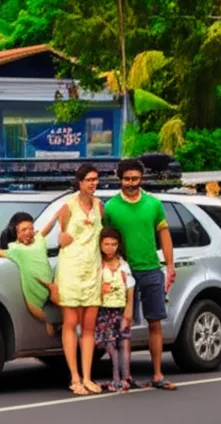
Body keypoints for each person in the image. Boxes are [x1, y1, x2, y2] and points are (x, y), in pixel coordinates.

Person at [102, 158, 177, 390]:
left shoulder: (153, 204)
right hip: (124, 272)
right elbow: (105, 239)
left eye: (135, 179)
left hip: (151, 269)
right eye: (127, 179)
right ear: (119, 178)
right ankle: (126, 377)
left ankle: (157, 374)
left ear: (141, 179)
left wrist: (170, 266)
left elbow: (164, 235)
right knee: (124, 325)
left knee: (155, 321)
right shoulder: (111, 207)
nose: (131, 183)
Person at [54, 164, 105, 396]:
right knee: (70, 322)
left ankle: (87, 376)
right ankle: (74, 377)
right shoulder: (68, 206)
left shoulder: (98, 206)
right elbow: (61, 236)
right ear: (80, 182)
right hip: (71, 270)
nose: (93, 184)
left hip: (93, 269)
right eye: (89, 180)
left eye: (95, 179)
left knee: (89, 326)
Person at [0, 212, 59, 336]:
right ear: (16, 233)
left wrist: (57, 215)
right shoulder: (15, 249)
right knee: (46, 318)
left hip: (51, 289)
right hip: (34, 293)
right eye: (23, 230)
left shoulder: (39, 241)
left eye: (31, 229)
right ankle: (51, 323)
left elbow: (48, 227)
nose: (28, 232)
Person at [95, 227, 136, 392]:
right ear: (100, 245)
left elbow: (130, 287)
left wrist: (129, 308)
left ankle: (127, 376)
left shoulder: (123, 265)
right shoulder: (98, 266)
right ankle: (116, 377)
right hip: (104, 311)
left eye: (113, 244)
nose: (110, 247)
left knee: (124, 341)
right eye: (106, 244)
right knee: (110, 344)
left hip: (120, 309)